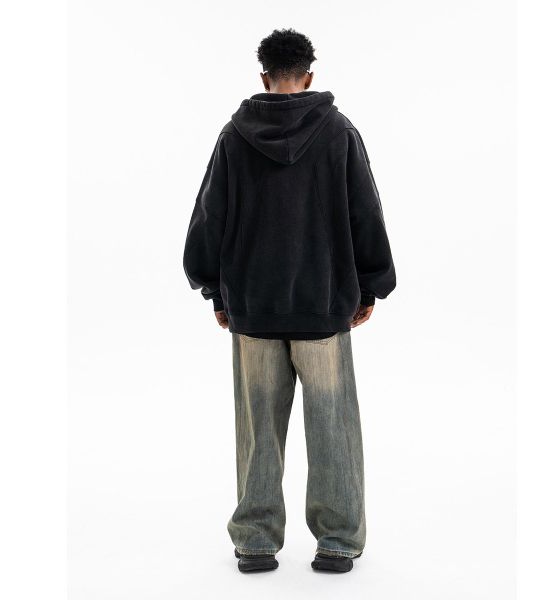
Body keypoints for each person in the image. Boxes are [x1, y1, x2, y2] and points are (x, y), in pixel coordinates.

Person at [183, 28, 396, 574]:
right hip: (323, 306)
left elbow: (209, 217)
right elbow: (365, 212)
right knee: (333, 428)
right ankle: (338, 542)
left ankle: (255, 541)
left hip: (254, 307)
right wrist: (371, 284)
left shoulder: (234, 136)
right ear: (309, 76)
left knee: (258, 431)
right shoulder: (338, 132)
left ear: (264, 78)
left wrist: (214, 289)